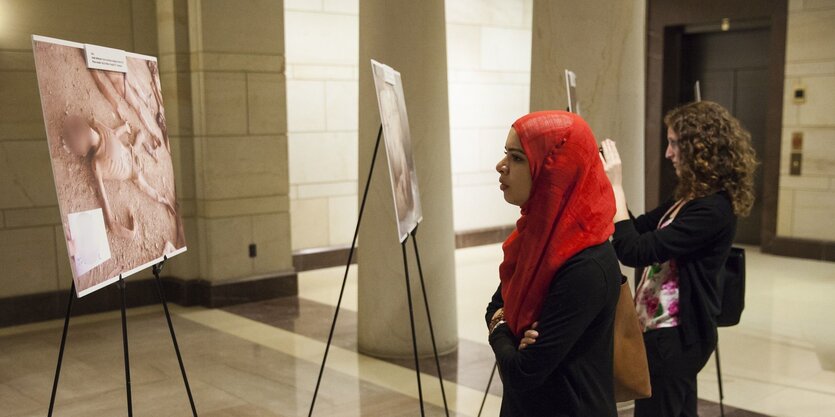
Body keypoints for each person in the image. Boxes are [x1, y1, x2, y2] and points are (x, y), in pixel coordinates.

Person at [599, 100, 757, 417]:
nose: (668, 153)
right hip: (663, 330)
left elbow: (633, 250)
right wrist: (608, 188)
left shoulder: (713, 209)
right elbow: (639, 228)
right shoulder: (690, 195)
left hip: (677, 336)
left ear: (699, 147)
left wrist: (616, 186)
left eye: (674, 144)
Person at [485, 110, 622, 417]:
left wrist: (499, 327)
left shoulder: (585, 265)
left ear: (554, 171)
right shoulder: (537, 237)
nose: (501, 166)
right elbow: (495, 304)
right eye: (507, 154)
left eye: (518, 158)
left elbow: (522, 371)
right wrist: (508, 328)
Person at [61, 115, 177, 240]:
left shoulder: (96, 164)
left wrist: (131, 234)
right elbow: (113, 133)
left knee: (147, 188)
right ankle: (164, 200)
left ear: (83, 152)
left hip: (133, 170)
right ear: (90, 129)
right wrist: (124, 128)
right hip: (131, 153)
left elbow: (111, 222)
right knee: (146, 184)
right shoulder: (100, 127)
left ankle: (164, 200)